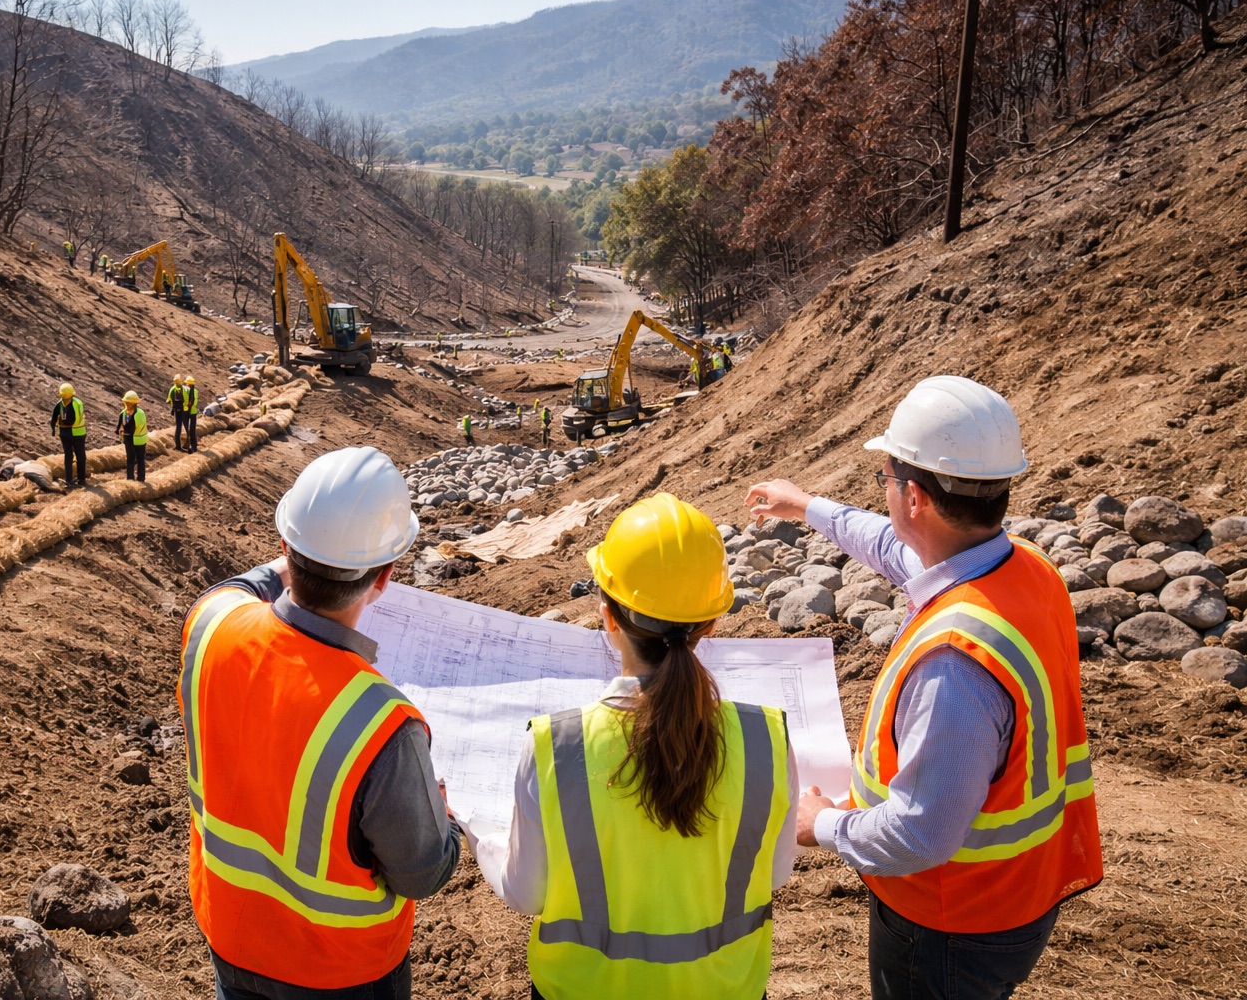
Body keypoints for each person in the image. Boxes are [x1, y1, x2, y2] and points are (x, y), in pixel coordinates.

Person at [744, 375, 1102, 1000]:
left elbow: (920, 834)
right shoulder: (1023, 567)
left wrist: (823, 824)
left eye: (885, 478)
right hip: (1016, 896)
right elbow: (893, 547)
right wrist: (806, 506)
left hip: (950, 924)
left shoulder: (954, 666)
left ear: (914, 498)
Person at [471, 493, 796, 998]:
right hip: (723, 988)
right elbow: (774, 875)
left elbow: (524, 892)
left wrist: (478, 835)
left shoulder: (556, 746)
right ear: (710, 623)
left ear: (608, 617)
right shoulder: (766, 739)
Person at [178, 447, 462, 1000]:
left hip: (232, 937)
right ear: (386, 576)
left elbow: (238, 589)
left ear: (285, 546)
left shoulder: (210, 623)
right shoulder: (383, 723)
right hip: (339, 973)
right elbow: (421, 873)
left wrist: (311, 551)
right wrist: (442, 814)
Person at [48, 382, 87, 488]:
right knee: (80, 456)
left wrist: (53, 430)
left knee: (68, 456)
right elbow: (78, 418)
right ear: (72, 393)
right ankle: (81, 480)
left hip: (64, 433)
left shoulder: (59, 403)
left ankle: (69, 480)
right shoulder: (78, 403)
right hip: (77, 433)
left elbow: (53, 418)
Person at [116, 390, 148, 482]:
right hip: (129, 439)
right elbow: (121, 425)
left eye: (128, 402)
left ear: (134, 403)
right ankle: (130, 478)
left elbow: (139, 426)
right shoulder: (123, 413)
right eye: (126, 402)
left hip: (139, 440)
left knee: (140, 459)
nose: (126, 404)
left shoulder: (139, 413)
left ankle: (140, 479)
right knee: (130, 458)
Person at [181, 376, 200, 452]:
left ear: (187, 383)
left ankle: (187, 445)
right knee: (192, 429)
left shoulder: (185, 390)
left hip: (186, 412)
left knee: (186, 429)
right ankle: (194, 446)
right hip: (193, 412)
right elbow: (194, 403)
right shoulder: (195, 391)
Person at [167, 374, 186, 450]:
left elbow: (168, 400)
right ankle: (181, 445)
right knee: (182, 427)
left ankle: (178, 445)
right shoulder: (183, 389)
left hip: (176, 410)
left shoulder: (172, 389)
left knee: (178, 427)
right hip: (183, 410)